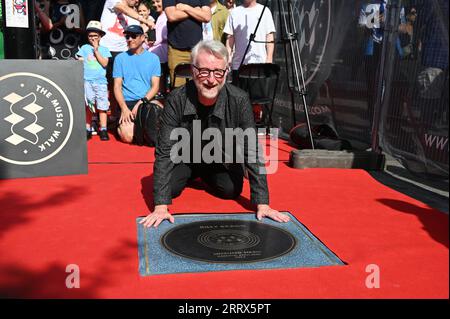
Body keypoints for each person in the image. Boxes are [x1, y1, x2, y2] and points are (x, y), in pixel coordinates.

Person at [139, 40, 290, 228]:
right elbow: (164, 151)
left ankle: (205, 175)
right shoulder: (176, 99)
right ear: (193, 71)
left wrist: (263, 203)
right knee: (169, 190)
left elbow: (252, 150)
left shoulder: (239, 100)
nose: (211, 80)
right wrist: (160, 206)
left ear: (226, 72)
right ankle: (192, 174)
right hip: (185, 157)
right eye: (204, 71)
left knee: (231, 190)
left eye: (218, 72)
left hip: (220, 158)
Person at [112, 25, 161, 143]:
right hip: (127, 102)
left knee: (160, 113)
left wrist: (141, 103)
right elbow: (117, 86)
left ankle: (141, 127)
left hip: (146, 101)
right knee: (128, 137)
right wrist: (123, 108)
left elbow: (155, 86)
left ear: (143, 37)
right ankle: (127, 126)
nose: (130, 39)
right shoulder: (120, 59)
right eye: (127, 36)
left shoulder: (153, 58)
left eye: (133, 36)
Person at [76, 20, 112, 141]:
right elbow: (80, 62)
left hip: (101, 82)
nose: (92, 38)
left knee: (102, 106)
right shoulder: (84, 48)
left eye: (95, 36)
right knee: (89, 106)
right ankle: (88, 128)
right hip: (87, 81)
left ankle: (103, 129)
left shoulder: (104, 49)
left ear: (100, 36)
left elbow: (104, 63)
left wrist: (96, 50)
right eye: (90, 36)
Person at [163, 0, 211, 88]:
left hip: (197, 51)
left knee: (199, 86)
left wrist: (186, 8)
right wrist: (196, 11)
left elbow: (207, 17)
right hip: (177, 50)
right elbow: (172, 16)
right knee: (178, 89)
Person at [223, 0, 275, 81]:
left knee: (258, 93)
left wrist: (269, 59)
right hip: (239, 66)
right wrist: (228, 58)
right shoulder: (234, 12)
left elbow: (269, 36)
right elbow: (230, 37)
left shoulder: (265, 11)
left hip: (260, 64)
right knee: (238, 93)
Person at [148, 0, 169, 95]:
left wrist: (147, 43)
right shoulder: (160, 16)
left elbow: (161, 37)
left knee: (159, 78)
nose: (155, 5)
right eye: (153, 2)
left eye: (158, 1)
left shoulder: (165, 16)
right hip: (159, 52)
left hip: (161, 53)